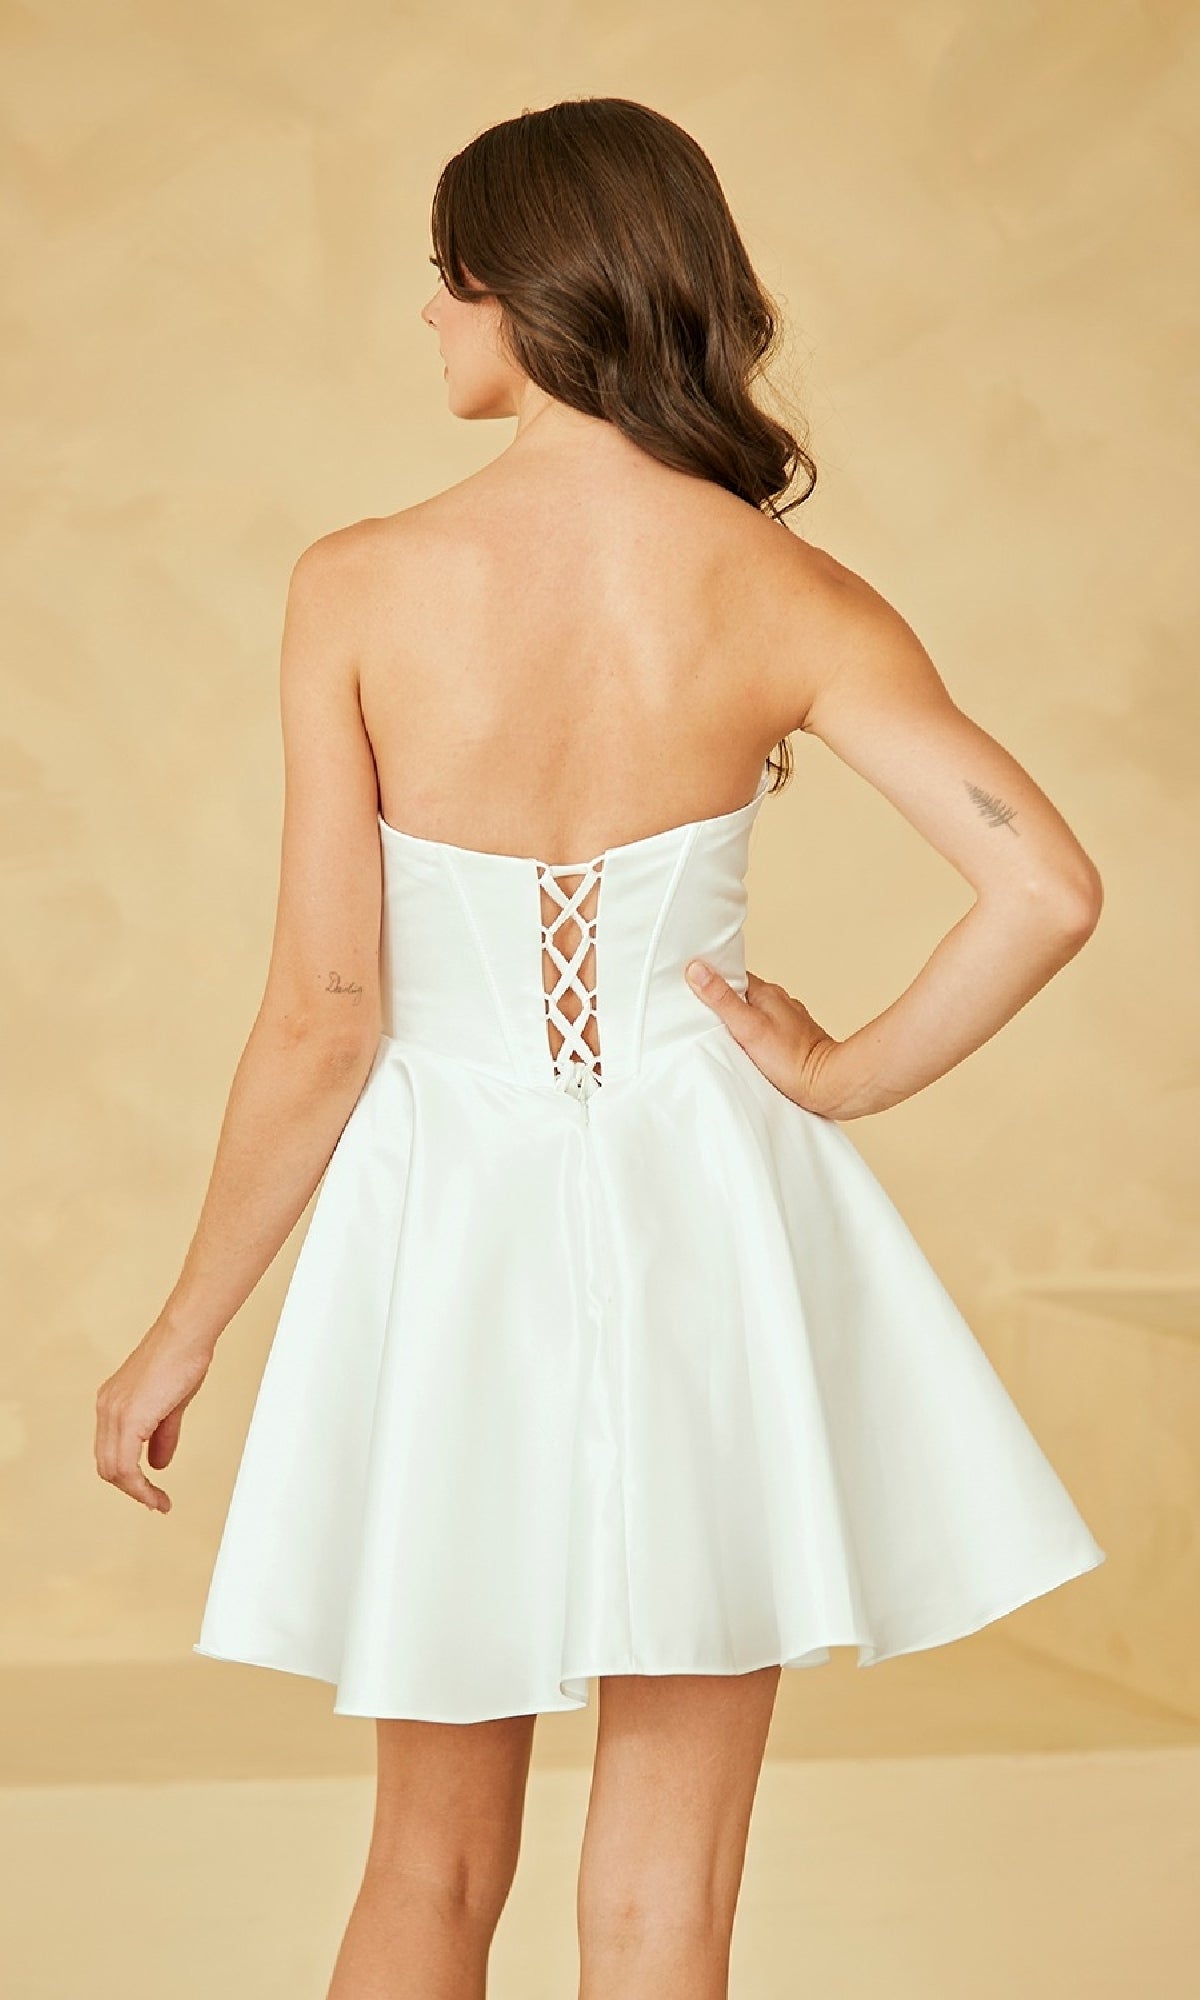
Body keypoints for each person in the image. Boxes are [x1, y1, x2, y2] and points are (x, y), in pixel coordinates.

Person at [94, 97, 1106, 2000]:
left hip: (443, 1221)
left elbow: (328, 1014)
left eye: (442, 277)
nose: (427, 317)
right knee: (664, 1902)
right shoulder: (784, 590)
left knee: (424, 1866)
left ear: (516, 289)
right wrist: (839, 1076)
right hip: (705, 1210)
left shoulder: (361, 582)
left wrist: (185, 1330)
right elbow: (1045, 888)